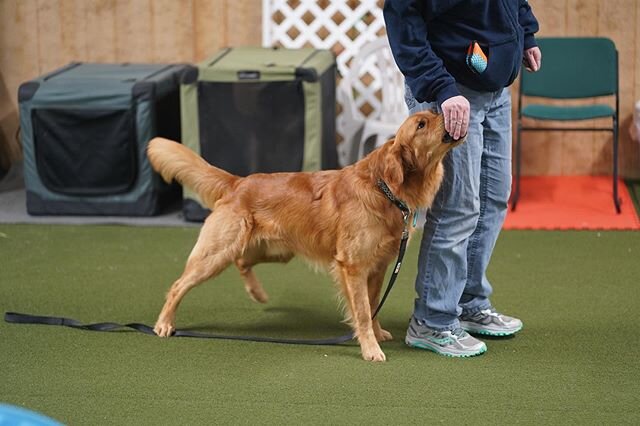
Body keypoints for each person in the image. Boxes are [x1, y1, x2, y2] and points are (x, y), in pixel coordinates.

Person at [383, 0, 542, 357]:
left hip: (495, 88)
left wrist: (526, 33)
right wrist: (441, 88)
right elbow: (402, 20)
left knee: (493, 198)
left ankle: (469, 302)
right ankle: (432, 320)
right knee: (458, 207)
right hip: (451, 96)